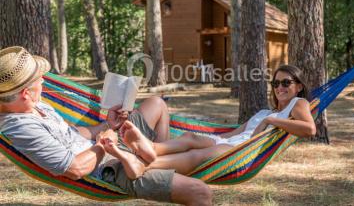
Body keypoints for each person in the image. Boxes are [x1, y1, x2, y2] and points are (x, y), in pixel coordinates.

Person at [0, 46, 212, 206]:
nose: (44, 82)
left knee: (157, 104)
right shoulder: (21, 127)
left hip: (106, 144)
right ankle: (163, 166)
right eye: (39, 79)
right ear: (25, 93)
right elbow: (75, 169)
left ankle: (163, 166)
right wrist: (106, 142)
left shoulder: (37, 105)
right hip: (109, 166)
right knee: (200, 191)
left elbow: (73, 134)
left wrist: (107, 124)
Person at [101, 64, 317, 176]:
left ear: (298, 86)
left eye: (286, 83)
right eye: (276, 83)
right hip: (232, 141)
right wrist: (214, 137)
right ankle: (149, 147)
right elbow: (236, 132)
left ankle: (143, 165)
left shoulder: (298, 103)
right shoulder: (265, 112)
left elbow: (309, 129)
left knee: (198, 155)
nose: (280, 88)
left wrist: (273, 121)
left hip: (242, 150)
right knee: (189, 137)